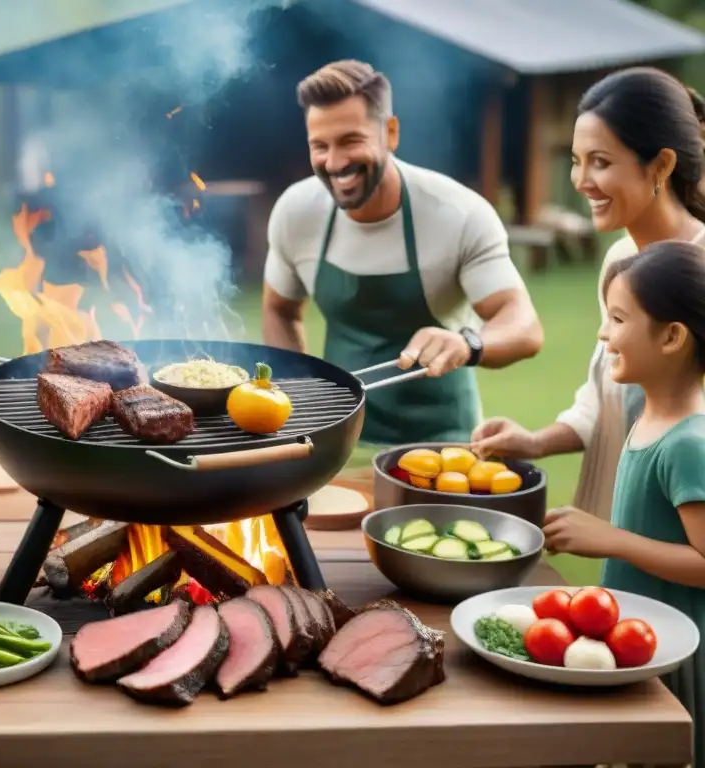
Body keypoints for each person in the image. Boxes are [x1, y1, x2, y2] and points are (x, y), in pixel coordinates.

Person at [262, 59, 543, 447]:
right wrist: (301, 396)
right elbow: (279, 309)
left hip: (444, 443)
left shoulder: (458, 214)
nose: (335, 162)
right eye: (320, 146)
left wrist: (468, 343)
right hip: (338, 438)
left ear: (389, 132)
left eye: (350, 141)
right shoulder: (296, 212)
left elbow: (524, 326)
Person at [471, 66, 705, 521]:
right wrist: (537, 441)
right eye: (576, 161)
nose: (580, 181)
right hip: (627, 530)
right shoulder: (621, 260)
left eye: (600, 161)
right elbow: (606, 395)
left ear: (661, 165)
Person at [542, 240, 705, 768]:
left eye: (616, 318)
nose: (602, 333)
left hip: (677, 656)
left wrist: (611, 539)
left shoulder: (688, 443)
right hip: (638, 643)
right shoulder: (646, 415)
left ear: (672, 337)